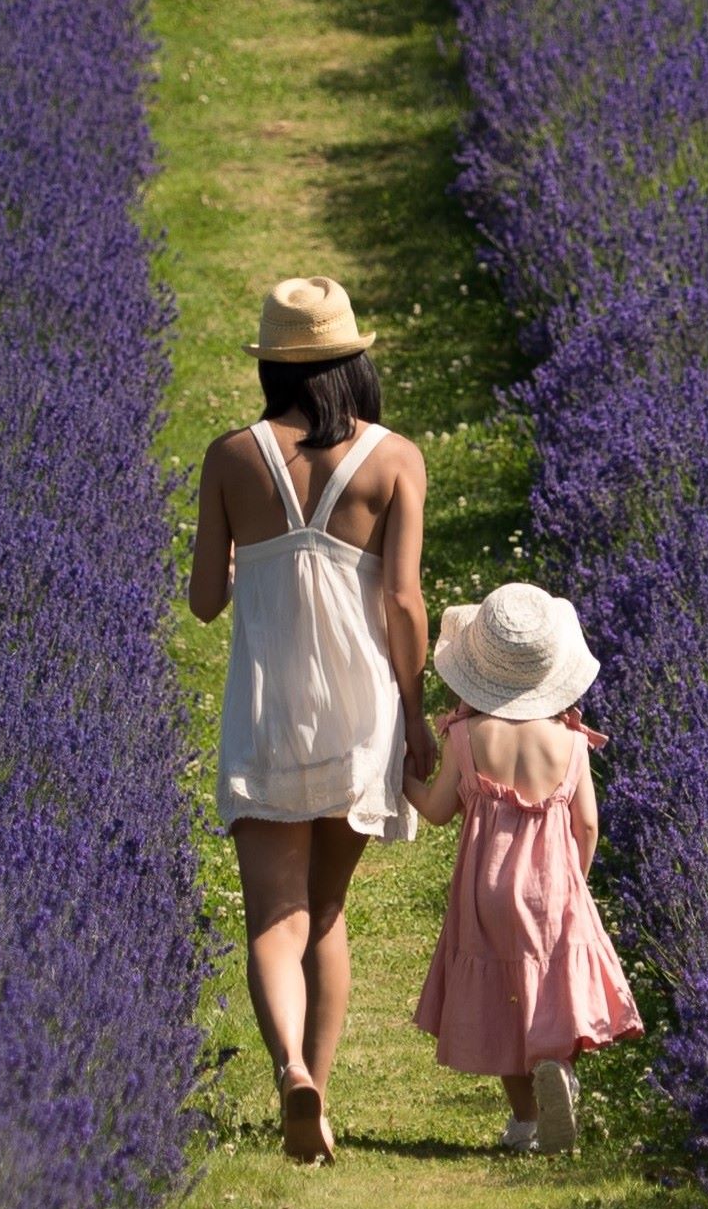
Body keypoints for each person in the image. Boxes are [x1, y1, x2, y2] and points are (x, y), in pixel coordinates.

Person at [191, 275, 433, 1164]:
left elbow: (205, 602)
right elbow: (403, 604)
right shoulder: (396, 458)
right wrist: (416, 717)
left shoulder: (230, 456)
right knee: (327, 914)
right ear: (354, 362)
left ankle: (290, 1067)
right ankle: (319, 1098)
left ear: (272, 368)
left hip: (266, 707)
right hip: (361, 709)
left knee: (274, 917)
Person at [410, 581, 642, 1153]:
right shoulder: (570, 743)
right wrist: (574, 879)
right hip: (555, 886)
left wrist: (401, 780)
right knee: (550, 981)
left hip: (485, 891)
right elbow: (587, 825)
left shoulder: (466, 737)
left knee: (500, 993)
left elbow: (438, 811)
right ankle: (555, 1065)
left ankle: (524, 1121)